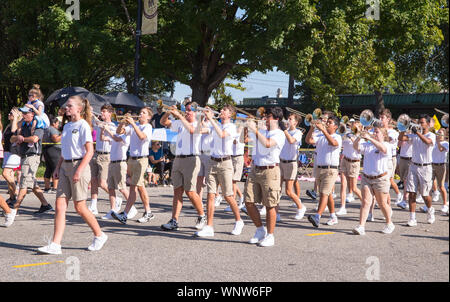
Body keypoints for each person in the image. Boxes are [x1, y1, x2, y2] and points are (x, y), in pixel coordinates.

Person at [37, 95, 107, 254]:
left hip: (79, 165)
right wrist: (57, 167)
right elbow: (65, 150)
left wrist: (79, 170)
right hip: (65, 166)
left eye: (69, 105)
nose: (66, 108)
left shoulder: (83, 126)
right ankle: (55, 244)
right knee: (60, 205)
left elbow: (90, 152)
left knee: (80, 207)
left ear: (79, 109)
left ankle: (99, 234)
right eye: (66, 106)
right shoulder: (67, 126)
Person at [194, 105, 244, 237]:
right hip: (212, 161)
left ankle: (239, 221)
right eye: (221, 109)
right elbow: (198, 131)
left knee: (228, 195)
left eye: (224, 110)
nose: (221, 111)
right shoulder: (214, 124)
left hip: (225, 163)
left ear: (230, 115)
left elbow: (222, 135)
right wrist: (201, 117)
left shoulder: (231, 127)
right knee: (210, 195)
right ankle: (209, 226)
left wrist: (211, 120)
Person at [159, 102, 207, 231]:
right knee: (177, 191)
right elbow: (163, 122)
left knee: (190, 191)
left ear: (196, 112)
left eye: (190, 110)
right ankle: (174, 220)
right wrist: (169, 112)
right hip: (179, 158)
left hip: (192, 158)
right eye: (186, 110)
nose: (187, 112)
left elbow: (192, 131)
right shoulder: (180, 123)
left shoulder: (198, 124)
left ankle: (202, 216)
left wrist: (179, 116)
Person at [244, 107, 285, 247]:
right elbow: (243, 140)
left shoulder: (279, 134)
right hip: (256, 168)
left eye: (268, 116)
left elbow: (267, 144)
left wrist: (255, 130)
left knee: (270, 205)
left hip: (271, 170)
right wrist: (247, 127)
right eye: (265, 116)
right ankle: (260, 229)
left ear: (276, 119)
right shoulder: (262, 130)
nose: (265, 119)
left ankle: (270, 235)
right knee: (248, 201)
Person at [6, 106, 53, 226]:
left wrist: (23, 139)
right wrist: (18, 137)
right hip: (24, 156)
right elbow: (12, 138)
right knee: (31, 182)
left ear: (32, 114)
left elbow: (35, 138)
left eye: (26, 113)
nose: (23, 114)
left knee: (23, 184)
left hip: (32, 156)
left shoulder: (38, 126)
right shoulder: (23, 125)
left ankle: (14, 210)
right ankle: (45, 205)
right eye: (23, 113)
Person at [112, 107, 155, 224]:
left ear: (149, 117)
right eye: (140, 112)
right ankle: (148, 212)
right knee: (140, 187)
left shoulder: (148, 127)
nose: (141, 114)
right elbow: (118, 132)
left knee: (133, 187)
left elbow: (142, 136)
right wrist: (122, 122)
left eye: (144, 113)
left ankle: (125, 214)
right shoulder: (132, 126)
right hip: (131, 159)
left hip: (142, 159)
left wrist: (132, 123)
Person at [352, 124, 395, 235]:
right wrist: (359, 136)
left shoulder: (387, 144)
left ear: (384, 135)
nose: (374, 133)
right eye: (374, 131)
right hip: (367, 177)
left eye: (377, 132)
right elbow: (355, 147)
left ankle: (389, 223)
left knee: (382, 203)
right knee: (365, 202)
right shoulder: (367, 145)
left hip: (380, 179)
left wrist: (370, 138)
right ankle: (361, 226)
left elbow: (383, 149)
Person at [398, 114, 436, 226]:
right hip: (413, 165)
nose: (420, 124)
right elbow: (401, 138)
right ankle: (412, 218)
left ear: (428, 124)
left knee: (425, 195)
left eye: (422, 122)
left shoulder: (431, 135)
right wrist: (402, 128)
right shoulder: (413, 136)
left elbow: (428, 142)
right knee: (412, 193)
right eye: (419, 122)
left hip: (426, 167)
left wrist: (417, 132)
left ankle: (430, 209)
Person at [305, 115, 342, 228]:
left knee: (324, 193)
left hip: (330, 169)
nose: (327, 123)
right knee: (327, 194)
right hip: (320, 168)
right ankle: (333, 216)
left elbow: (333, 143)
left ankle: (318, 216)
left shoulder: (337, 136)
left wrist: (323, 130)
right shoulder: (320, 136)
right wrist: (312, 128)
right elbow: (308, 140)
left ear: (335, 126)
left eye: (330, 122)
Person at [88, 104, 116, 215]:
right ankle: (93, 205)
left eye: (104, 111)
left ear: (110, 113)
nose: (102, 113)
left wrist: (102, 124)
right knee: (94, 180)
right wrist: (90, 111)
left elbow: (112, 136)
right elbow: (91, 120)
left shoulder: (112, 125)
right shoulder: (98, 123)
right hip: (96, 153)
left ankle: (116, 199)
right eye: (101, 111)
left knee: (102, 183)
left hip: (106, 155)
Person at [100, 122, 131, 220]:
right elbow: (103, 138)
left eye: (123, 125)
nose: (120, 126)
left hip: (120, 163)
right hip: (112, 162)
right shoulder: (116, 134)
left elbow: (116, 139)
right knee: (111, 187)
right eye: (120, 125)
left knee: (122, 188)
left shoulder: (127, 136)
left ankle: (132, 207)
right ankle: (113, 210)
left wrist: (108, 129)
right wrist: (102, 130)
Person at [279, 113, 307, 220]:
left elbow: (291, 141)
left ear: (295, 122)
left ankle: (301, 207)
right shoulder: (284, 132)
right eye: (288, 118)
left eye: (290, 119)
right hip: (281, 161)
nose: (288, 120)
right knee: (277, 189)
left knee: (288, 191)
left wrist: (284, 130)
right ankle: (275, 213)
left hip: (291, 163)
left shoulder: (298, 132)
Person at [337, 121, 363, 216]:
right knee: (343, 185)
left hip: (354, 162)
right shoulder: (347, 134)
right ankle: (342, 207)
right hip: (345, 160)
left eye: (356, 128)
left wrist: (352, 137)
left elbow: (358, 149)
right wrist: (343, 132)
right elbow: (341, 143)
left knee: (354, 188)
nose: (353, 129)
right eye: (353, 127)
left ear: (360, 128)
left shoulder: (361, 138)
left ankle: (366, 203)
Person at [423, 128, 448, 214]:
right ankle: (428, 206)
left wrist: (437, 141)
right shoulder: (434, 143)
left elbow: (441, 149)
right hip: (432, 165)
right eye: (438, 133)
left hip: (441, 166)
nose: (438, 134)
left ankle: (445, 204)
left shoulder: (445, 143)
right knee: (429, 186)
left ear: (444, 135)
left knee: (441, 186)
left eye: (440, 133)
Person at [1, 108, 22, 206]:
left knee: (5, 173)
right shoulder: (8, 125)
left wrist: (15, 119)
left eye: (11, 113)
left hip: (14, 152)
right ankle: (12, 197)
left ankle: (16, 192)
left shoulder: (18, 125)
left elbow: (14, 131)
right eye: (9, 113)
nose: (9, 114)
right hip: (7, 152)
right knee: (10, 176)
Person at [42, 115, 62, 193]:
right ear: (53, 123)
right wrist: (62, 134)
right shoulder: (52, 129)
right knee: (55, 167)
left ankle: (47, 187)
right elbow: (55, 139)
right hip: (54, 149)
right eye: (57, 123)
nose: (58, 125)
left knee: (48, 168)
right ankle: (55, 187)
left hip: (47, 149)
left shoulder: (46, 129)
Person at [396, 133, 413, 209]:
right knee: (404, 180)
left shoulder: (412, 136)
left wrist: (407, 135)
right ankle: (406, 200)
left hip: (410, 159)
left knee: (407, 181)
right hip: (402, 158)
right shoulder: (402, 135)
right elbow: (398, 145)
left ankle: (405, 200)